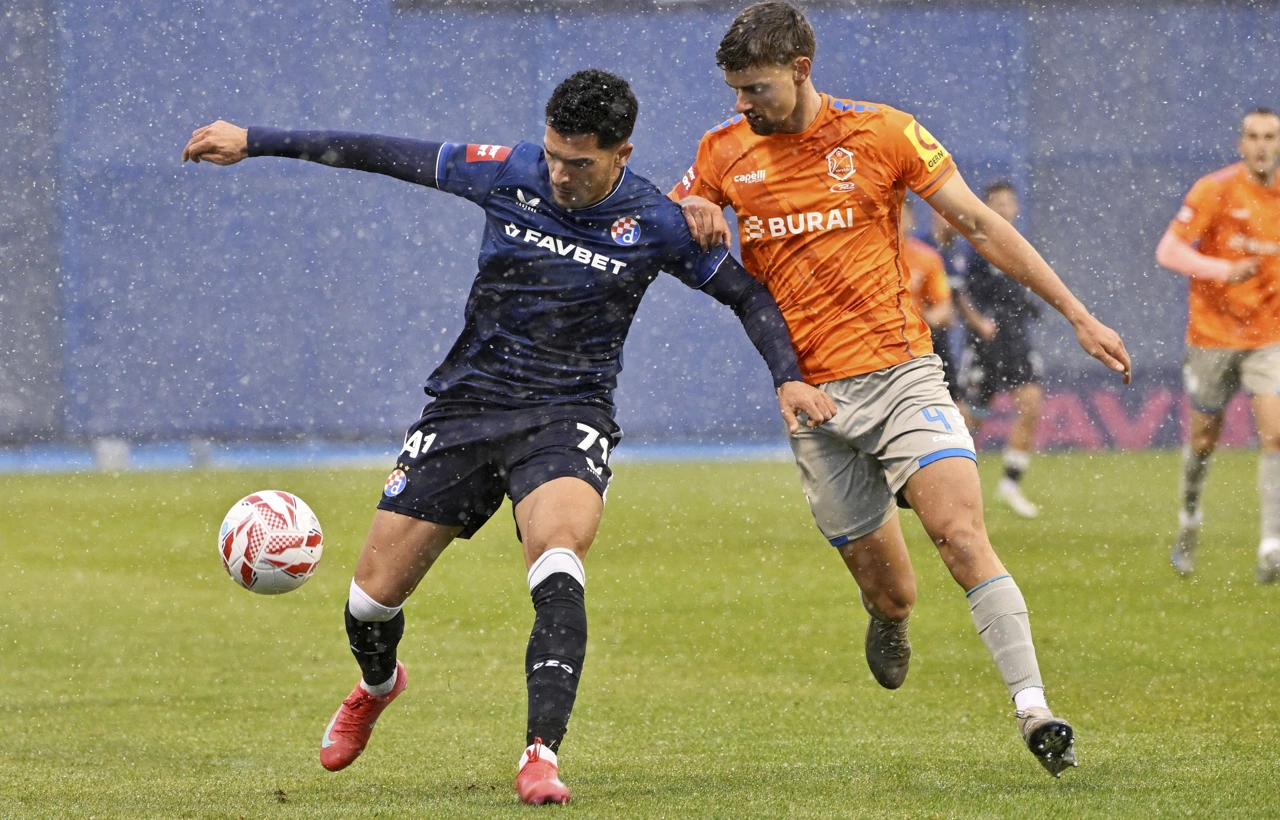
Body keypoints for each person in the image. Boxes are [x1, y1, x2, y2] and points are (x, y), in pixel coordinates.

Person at [182, 68, 835, 805]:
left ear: (621, 154)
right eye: (554, 154)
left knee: (557, 564)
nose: (558, 173)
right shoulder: (510, 171)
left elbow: (746, 293)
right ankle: (376, 685)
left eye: (578, 163)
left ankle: (540, 756)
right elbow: (378, 151)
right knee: (370, 604)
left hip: (567, 415)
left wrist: (788, 374)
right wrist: (257, 141)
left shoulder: (657, 221)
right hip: (465, 407)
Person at [672, 1, 1130, 777]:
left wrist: (1077, 312)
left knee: (958, 532)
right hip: (813, 402)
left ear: (801, 69)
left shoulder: (883, 133)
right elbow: (682, 210)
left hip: (904, 374)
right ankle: (887, 617)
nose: (742, 105)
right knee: (893, 594)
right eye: (736, 91)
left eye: (756, 89)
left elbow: (980, 226)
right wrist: (691, 206)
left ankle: (1035, 711)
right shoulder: (722, 151)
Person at [1155, 107, 1280, 583]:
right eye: (1253, 136)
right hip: (1212, 335)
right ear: (1240, 143)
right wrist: (1223, 270)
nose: (1262, 145)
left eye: (1270, 136)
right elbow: (1168, 251)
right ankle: (1189, 520)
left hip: (1270, 336)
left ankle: (1271, 545)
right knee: (1204, 438)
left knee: (1275, 433)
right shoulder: (1216, 190)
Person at [956, 182, 1046, 518]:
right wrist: (978, 321)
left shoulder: (1021, 246)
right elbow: (960, 290)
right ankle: (956, 486)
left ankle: (1010, 484)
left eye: (1009, 203)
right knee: (971, 420)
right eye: (997, 203)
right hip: (984, 345)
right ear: (986, 207)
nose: (1004, 208)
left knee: (1031, 405)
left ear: (1017, 208)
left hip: (1016, 342)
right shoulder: (976, 244)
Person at [899, 201, 958, 395]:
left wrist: (916, 325)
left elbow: (944, 307)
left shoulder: (927, 258)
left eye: (902, 216)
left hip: (923, 342)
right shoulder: (867, 259)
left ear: (912, 221)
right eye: (891, 217)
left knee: (957, 406)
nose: (897, 222)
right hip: (882, 345)